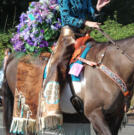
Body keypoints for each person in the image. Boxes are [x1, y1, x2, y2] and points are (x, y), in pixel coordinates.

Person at [39, 0, 110, 132]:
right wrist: (86, 22)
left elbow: (91, 17)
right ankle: (50, 104)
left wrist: (97, 9)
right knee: (58, 64)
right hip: (68, 37)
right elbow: (66, 18)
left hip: (84, 37)